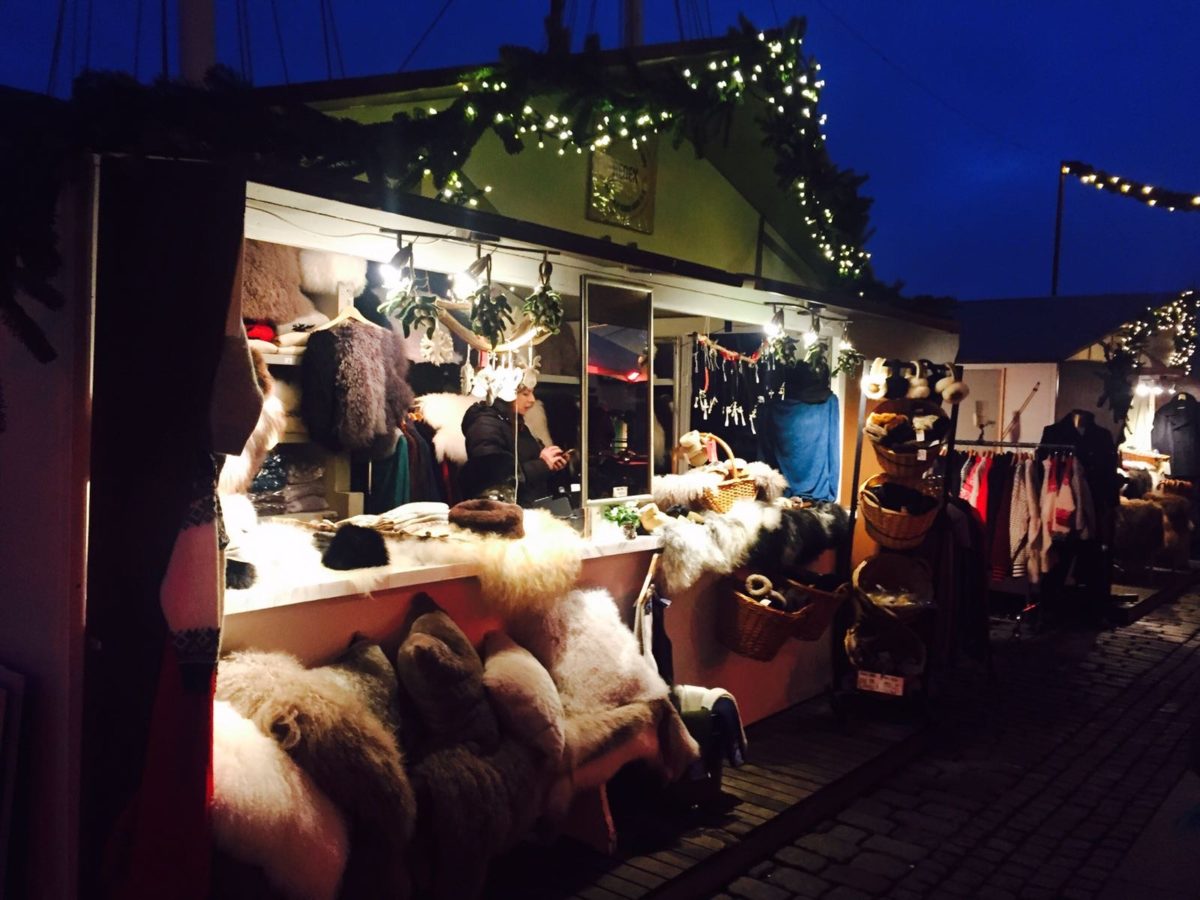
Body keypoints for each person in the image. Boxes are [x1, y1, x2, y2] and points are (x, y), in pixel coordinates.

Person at [460, 378, 568, 504]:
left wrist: (550, 463)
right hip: (503, 513)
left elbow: (523, 463)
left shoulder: (514, 422)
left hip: (527, 507)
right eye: (525, 394)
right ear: (506, 394)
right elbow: (494, 479)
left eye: (532, 393)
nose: (532, 400)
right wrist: (542, 464)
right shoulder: (484, 425)